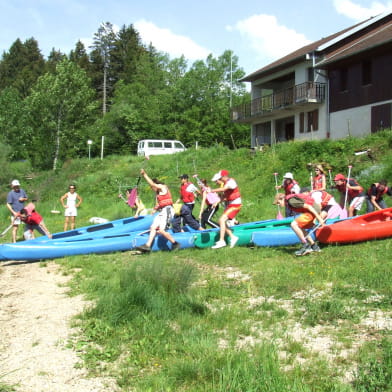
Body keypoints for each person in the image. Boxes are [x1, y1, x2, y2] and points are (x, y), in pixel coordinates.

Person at [135, 169, 180, 252]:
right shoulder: (158, 194)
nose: (152, 189)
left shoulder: (163, 187)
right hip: (162, 211)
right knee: (153, 227)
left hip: (168, 210)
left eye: (152, 188)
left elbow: (152, 183)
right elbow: (160, 204)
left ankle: (175, 243)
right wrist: (155, 210)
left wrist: (144, 174)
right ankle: (147, 246)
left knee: (161, 231)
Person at [210, 170, 242, 249]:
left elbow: (224, 189)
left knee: (221, 220)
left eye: (219, 179)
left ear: (223, 177)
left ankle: (222, 241)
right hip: (231, 204)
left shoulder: (231, 182)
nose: (219, 181)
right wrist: (217, 202)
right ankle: (233, 237)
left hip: (235, 204)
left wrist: (212, 190)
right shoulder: (226, 183)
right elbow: (225, 197)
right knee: (220, 221)